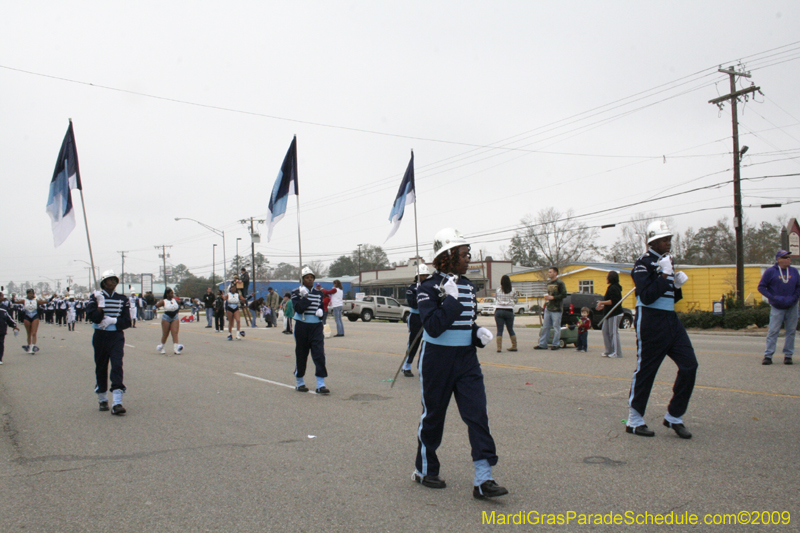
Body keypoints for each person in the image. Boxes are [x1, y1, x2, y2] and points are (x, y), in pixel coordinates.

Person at [413, 228, 507, 500]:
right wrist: (451, 301)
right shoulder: (427, 288)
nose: (468, 259)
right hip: (437, 359)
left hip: (466, 359)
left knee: (477, 415)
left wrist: (475, 332)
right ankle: (425, 468)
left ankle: (483, 478)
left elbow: (466, 319)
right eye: (464, 255)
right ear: (448, 256)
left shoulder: (466, 285)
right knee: (433, 417)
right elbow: (433, 326)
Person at [626, 220, 696, 440]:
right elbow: (646, 296)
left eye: (669, 239)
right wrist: (665, 277)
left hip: (670, 320)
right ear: (652, 242)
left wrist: (675, 286)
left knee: (689, 365)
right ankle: (634, 420)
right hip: (651, 321)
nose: (668, 243)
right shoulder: (643, 263)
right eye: (664, 240)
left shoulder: (667, 262)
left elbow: (670, 297)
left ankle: (674, 415)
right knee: (646, 370)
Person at [85, 270, 131, 415]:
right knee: (101, 366)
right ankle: (102, 398)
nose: (113, 282)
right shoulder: (95, 297)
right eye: (110, 280)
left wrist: (114, 320)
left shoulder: (122, 299)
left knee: (117, 365)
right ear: (104, 282)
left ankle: (117, 402)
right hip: (100, 336)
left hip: (116, 335)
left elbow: (127, 321)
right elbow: (94, 318)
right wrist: (100, 305)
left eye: (115, 280)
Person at [757, 249, 800, 365]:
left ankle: (788, 355)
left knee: (791, 331)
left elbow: (798, 287)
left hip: (792, 305)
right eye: (785, 257)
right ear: (779, 259)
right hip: (777, 306)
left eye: (789, 257)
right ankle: (768, 355)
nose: (788, 259)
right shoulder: (771, 272)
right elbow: (761, 287)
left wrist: (794, 298)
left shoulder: (794, 271)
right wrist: (773, 298)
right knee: (773, 330)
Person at [291, 267, 329, 394]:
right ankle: (300, 381)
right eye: (307, 278)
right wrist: (305, 297)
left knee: (319, 354)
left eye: (311, 277)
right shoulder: (296, 292)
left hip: (316, 327)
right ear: (302, 280)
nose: (310, 280)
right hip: (302, 326)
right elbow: (299, 309)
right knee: (302, 354)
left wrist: (321, 313)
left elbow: (321, 308)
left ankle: (320, 384)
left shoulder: (319, 293)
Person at [402, 264, 430, 376]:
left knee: (427, 344)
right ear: (417, 276)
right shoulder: (412, 288)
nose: (425, 277)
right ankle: (406, 366)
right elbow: (412, 304)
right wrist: (420, 294)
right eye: (423, 275)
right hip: (416, 318)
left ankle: (422, 367)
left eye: (426, 275)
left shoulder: (430, 287)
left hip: (427, 317)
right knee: (414, 343)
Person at [534, 267, 567, 351]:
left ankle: (556, 344)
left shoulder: (560, 283)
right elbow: (549, 294)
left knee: (556, 327)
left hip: (556, 309)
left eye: (550, 272)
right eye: (548, 272)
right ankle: (542, 344)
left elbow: (564, 294)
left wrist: (553, 297)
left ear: (555, 273)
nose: (549, 273)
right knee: (545, 327)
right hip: (548, 308)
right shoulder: (549, 283)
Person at [596, 271, 624, 358]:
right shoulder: (611, 287)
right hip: (608, 314)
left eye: (607, 276)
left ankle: (617, 352)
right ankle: (608, 351)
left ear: (611, 277)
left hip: (615, 313)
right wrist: (603, 306)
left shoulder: (614, 288)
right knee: (605, 331)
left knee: (613, 333)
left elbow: (613, 301)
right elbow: (610, 302)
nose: (606, 278)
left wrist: (601, 302)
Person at [13, 289, 48, 353]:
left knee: (34, 333)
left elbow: (46, 302)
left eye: (32, 293)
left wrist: (52, 297)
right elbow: (14, 302)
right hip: (27, 316)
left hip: (35, 316)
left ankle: (33, 346)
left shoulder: (36, 301)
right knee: (28, 333)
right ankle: (29, 346)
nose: (31, 294)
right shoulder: (24, 300)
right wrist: (13, 297)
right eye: (29, 293)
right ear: (27, 294)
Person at [155, 288, 184, 354]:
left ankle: (176, 349)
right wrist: (154, 309)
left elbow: (182, 302)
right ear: (167, 294)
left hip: (175, 317)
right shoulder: (164, 301)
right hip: (166, 318)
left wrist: (190, 303)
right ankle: (162, 347)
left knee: (175, 333)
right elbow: (156, 306)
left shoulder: (175, 300)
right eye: (171, 293)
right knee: (165, 334)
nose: (172, 294)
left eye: (173, 293)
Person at [494, 274, 519, 352]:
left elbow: (496, 298)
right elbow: (516, 300)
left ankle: (499, 348)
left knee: (499, 330)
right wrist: (511, 304)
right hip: (509, 310)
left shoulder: (498, 290)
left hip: (499, 310)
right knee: (510, 329)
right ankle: (514, 346)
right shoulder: (513, 290)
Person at [0, 297, 20, 365]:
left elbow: (8, 318)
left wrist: (14, 325)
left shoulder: (4, 307)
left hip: (1, 329)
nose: (2, 298)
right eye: (1, 296)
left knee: (0, 344)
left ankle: (0, 359)